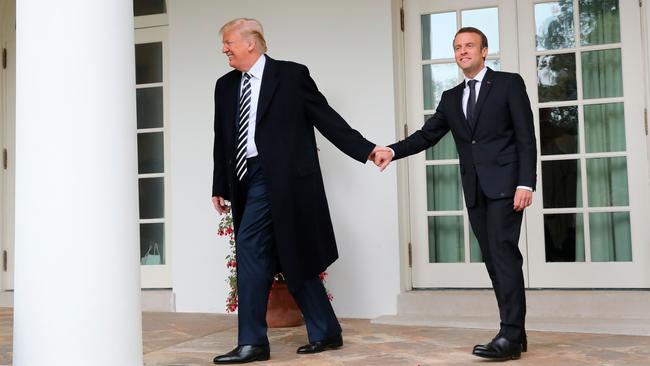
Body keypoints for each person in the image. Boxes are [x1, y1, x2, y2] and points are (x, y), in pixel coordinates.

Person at [211, 18, 387, 364]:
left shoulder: (291, 76)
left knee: (250, 249)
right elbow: (223, 137)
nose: (224, 49)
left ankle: (253, 343)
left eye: (229, 42)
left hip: (286, 181)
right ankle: (326, 330)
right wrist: (219, 184)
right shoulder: (225, 85)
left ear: (252, 43)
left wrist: (366, 149)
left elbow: (325, 117)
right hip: (247, 180)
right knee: (292, 253)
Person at [374, 27, 536, 361]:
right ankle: (515, 334)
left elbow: (526, 136)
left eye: (469, 46)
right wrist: (392, 150)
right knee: (494, 259)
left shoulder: (508, 83)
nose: (463, 51)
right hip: (475, 188)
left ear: (484, 50)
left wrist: (526, 183)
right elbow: (426, 136)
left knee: (503, 254)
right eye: (458, 47)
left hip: (506, 186)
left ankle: (508, 335)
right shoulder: (451, 98)